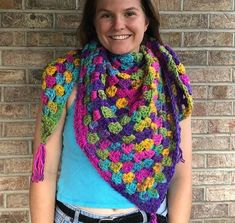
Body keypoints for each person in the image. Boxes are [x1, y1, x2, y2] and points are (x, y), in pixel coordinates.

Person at [29, 0, 193, 222]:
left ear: (146, 21)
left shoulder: (169, 80)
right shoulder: (64, 79)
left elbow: (180, 176)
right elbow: (44, 173)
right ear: (94, 23)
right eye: (106, 15)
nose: (118, 25)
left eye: (129, 13)